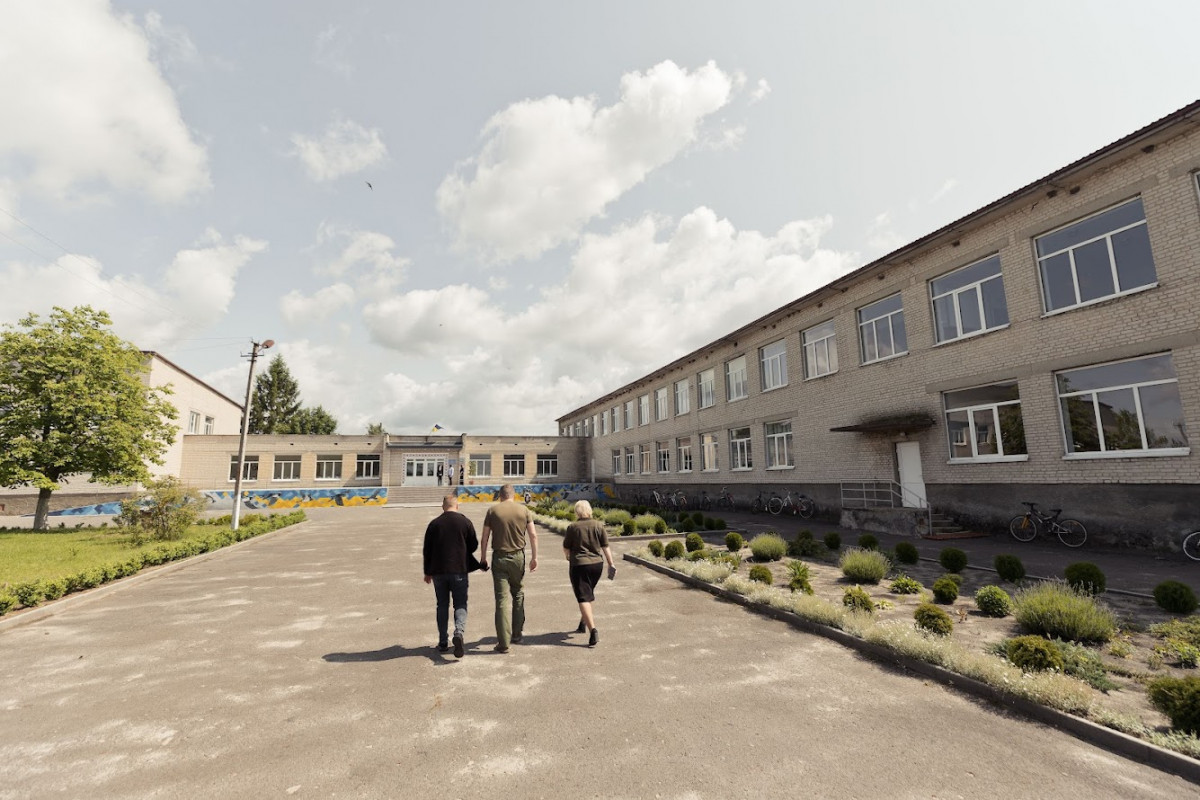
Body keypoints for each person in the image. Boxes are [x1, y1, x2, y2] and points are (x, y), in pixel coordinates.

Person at [478, 484, 538, 653]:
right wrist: (534, 557)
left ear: (500, 496)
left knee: (502, 599)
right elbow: (533, 535)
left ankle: (503, 642)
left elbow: (484, 537)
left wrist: (483, 557)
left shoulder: (492, 511)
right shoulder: (524, 510)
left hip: (499, 557)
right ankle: (517, 634)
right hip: (518, 557)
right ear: (514, 495)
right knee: (518, 593)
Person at [422, 494, 479, 658]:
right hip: (459, 570)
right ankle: (459, 632)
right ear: (457, 506)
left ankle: (442, 642)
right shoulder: (465, 522)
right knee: (460, 603)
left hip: (438, 572)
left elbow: (427, 550)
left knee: (442, 605)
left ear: (443, 507)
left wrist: (427, 572)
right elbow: (473, 545)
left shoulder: (434, 524)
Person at [562, 500, 616, 648]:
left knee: (583, 597)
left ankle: (593, 630)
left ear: (577, 512)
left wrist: (568, 557)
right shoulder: (599, 525)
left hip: (579, 565)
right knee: (588, 592)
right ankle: (583, 622)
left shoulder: (573, 527)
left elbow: (566, 547)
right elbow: (605, 546)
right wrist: (611, 564)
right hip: (597, 566)